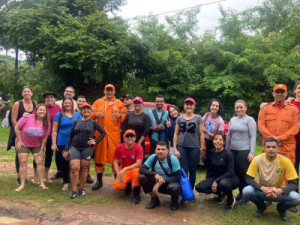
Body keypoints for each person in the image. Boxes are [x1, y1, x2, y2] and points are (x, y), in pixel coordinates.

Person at [243, 137, 300, 222]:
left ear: (278, 148)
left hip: (279, 193)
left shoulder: (286, 161)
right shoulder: (257, 160)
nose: (271, 149)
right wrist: (263, 188)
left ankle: (281, 209)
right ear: (264, 148)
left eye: (273, 147)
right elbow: (248, 179)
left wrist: (280, 190)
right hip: (262, 191)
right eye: (268, 147)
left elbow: (293, 184)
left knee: (296, 198)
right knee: (246, 191)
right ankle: (261, 207)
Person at [64, 103, 106, 199]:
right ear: (81, 111)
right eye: (84, 109)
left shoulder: (93, 122)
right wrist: (67, 149)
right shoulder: (76, 121)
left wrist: (95, 141)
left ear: (91, 111)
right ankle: (74, 190)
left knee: (84, 168)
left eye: (88, 109)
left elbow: (104, 132)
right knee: (74, 168)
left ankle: (81, 189)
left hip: (87, 148)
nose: (86, 111)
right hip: (75, 147)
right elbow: (70, 135)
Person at [91, 84, 126, 190]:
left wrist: (120, 116)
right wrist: (97, 115)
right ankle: (99, 181)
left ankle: (117, 180)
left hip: (114, 135)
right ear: (104, 91)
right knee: (99, 157)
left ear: (114, 92)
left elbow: (125, 116)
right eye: (107, 90)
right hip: (100, 134)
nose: (109, 92)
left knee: (116, 157)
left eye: (111, 90)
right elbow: (91, 114)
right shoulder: (98, 102)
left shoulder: (119, 103)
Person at [225, 100, 257, 205]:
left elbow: (253, 136)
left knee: (243, 174)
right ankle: (240, 193)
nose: (239, 109)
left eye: (241, 107)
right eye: (237, 107)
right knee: (236, 173)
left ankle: (246, 196)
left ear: (246, 108)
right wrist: (226, 149)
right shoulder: (232, 119)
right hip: (233, 150)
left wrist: (252, 152)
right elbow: (229, 135)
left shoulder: (250, 120)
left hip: (244, 150)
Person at [258, 84, 299, 165]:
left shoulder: (293, 109)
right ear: (273, 94)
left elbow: (296, 127)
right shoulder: (265, 108)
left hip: (286, 149)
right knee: (268, 173)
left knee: (286, 176)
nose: (279, 94)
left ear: (286, 94)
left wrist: (280, 138)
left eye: (282, 92)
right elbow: (261, 126)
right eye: (277, 92)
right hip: (269, 147)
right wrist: (273, 140)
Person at [195, 134, 239, 211]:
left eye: (220, 140)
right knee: (199, 187)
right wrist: (203, 157)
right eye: (215, 139)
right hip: (217, 178)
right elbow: (209, 167)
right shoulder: (212, 152)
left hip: (230, 178)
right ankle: (221, 194)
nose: (217, 141)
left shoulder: (228, 154)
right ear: (213, 141)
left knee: (223, 184)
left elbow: (231, 171)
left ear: (224, 142)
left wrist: (216, 181)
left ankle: (230, 199)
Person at [14, 104, 51, 192]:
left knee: (39, 162)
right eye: (40, 110)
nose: (42, 112)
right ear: (36, 111)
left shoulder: (46, 123)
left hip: (37, 144)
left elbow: (45, 137)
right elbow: (17, 128)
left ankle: (42, 183)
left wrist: (42, 150)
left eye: (44, 110)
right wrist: (19, 141)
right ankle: (22, 184)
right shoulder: (28, 117)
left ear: (46, 112)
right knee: (23, 162)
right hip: (23, 142)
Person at [139, 141, 181, 210]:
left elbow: (177, 177)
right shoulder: (153, 157)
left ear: (167, 151)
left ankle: (174, 202)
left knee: (174, 187)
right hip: (156, 183)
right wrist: (154, 174)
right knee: (142, 178)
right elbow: (142, 169)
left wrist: (161, 182)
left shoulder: (173, 159)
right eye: (158, 149)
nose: (160, 151)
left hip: (169, 184)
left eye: (163, 149)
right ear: (155, 150)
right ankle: (154, 199)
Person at [173, 97, 205, 189]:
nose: (189, 106)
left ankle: (190, 190)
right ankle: (184, 189)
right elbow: (176, 134)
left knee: (192, 169)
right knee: (183, 169)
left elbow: (201, 134)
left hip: (194, 147)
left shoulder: (198, 118)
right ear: (184, 106)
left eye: (191, 104)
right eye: (187, 104)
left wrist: (202, 148)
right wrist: (175, 148)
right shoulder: (179, 118)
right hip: (182, 146)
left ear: (194, 106)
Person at [7, 86, 37, 185]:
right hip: (18, 132)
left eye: (28, 91)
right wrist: (19, 131)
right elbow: (13, 119)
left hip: (30, 132)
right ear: (22, 94)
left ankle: (28, 176)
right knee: (19, 154)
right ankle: (20, 177)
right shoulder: (17, 103)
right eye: (24, 91)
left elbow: (35, 117)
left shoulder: (34, 103)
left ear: (31, 93)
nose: (26, 93)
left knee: (29, 155)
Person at [51, 97, 82, 191]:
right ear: (63, 104)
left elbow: (81, 128)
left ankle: (75, 180)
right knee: (64, 162)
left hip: (75, 142)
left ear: (73, 104)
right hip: (62, 142)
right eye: (66, 103)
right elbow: (54, 130)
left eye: (70, 103)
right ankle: (66, 182)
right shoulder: (59, 115)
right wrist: (53, 143)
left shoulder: (78, 115)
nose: (68, 104)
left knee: (75, 163)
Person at [32, 92, 61, 183]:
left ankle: (46, 175)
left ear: (55, 99)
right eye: (47, 97)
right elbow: (32, 117)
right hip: (40, 135)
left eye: (52, 97)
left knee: (49, 155)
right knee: (38, 155)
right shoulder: (41, 107)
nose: (49, 99)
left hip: (51, 136)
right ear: (45, 99)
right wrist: (26, 115)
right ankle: (36, 176)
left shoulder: (58, 108)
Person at [113, 129, 143, 204]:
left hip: (134, 169)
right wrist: (118, 173)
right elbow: (115, 162)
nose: (130, 138)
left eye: (132, 136)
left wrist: (125, 168)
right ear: (124, 138)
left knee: (136, 172)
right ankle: (128, 186)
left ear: (135, 138)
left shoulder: (139, 147)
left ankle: (136, 195)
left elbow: (139, 163)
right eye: (127, 136)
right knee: (117, 186)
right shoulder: (119, 147)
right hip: (124, 171)